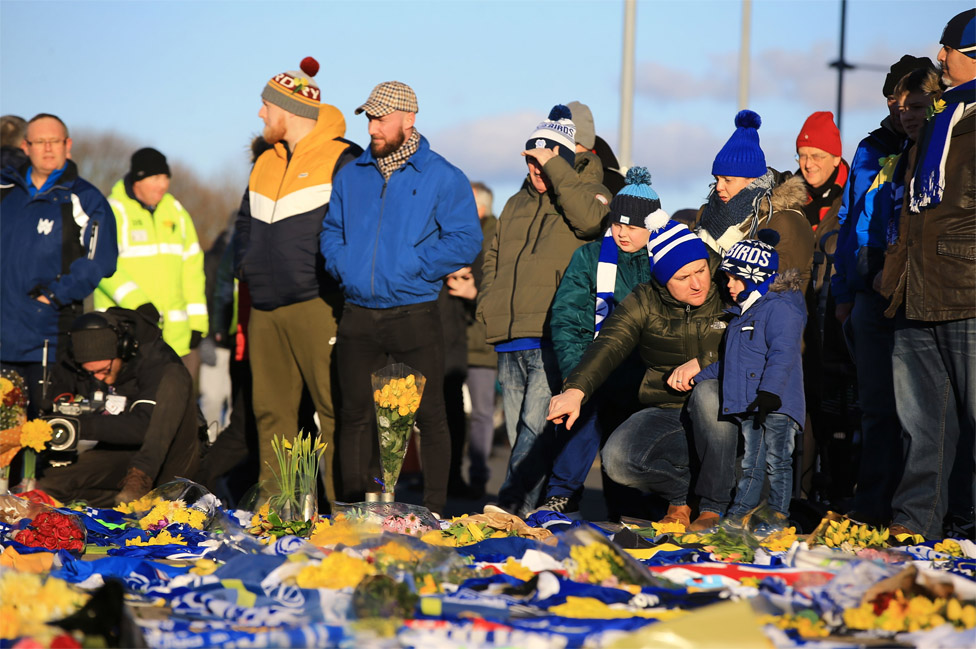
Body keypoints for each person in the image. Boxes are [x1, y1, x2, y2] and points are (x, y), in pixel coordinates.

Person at [321, 81, 482, 515]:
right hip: (357, 314)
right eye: (369, 118)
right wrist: (346, 266)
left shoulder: (443, 176)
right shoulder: (351, 174)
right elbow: (331, 232)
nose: (372, 126)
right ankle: (354, 511)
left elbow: (466, 239)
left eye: (381, 118)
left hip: (414, 312)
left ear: (408, 120)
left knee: (427, 417)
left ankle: (435, 512)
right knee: (354, 417)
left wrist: (415, 266)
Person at [234, 57, 362, 503]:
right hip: (266, 307)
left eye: (265, 106)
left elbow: (357, 230)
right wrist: (244, 265)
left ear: (286, 110)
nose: (260, 115)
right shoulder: (265, 159)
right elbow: (244, 222)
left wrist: (332, 279)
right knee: (270, 412)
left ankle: (344, 511)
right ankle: (280, 510)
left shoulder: (344, 157)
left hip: (318, 303)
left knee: (333, 411)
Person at [547, 219, 729, 530]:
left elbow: (759, 342)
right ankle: (680, 497)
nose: (697, 283)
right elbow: (609, 343)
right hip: (669, 408)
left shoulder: (728, 285)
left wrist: (705, 362)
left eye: (700, 271)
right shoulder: (645, 299)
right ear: (662, 280)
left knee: (708, 393)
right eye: (683, 277)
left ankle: (713, 507)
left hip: (727, 409)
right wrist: (575, 390)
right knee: (617, 459)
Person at [477, 105, 609, 517]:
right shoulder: (516, 202)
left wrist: (557, 169)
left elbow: (591, 223)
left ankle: (512, 507)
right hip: (509, 336)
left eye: (544, 160)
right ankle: (532, 515)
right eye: (532, 160)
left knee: (534, 430)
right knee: (521, 430)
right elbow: (493, 257)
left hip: (550, 335)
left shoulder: (586, 191)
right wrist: (487, 300)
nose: (536, 169)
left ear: (564, 158)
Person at [881, 8, 976, 540]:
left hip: (970, 291)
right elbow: (909, 211)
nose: (940, 57)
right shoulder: (938, 120)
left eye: (951, 49)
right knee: (922, 426)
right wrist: (892, 274)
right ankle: (915, 524)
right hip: (916, 291)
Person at [833, 56, 938, 526]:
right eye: (893, 102)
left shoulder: (937, 143)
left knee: (919, 410)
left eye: (909, 101)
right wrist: (843, 291)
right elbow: (849, 218)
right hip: (867, 288)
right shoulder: (870, 148)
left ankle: (921, 512)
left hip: (915, 288)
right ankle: (870, 506)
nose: (900, 110)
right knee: (875, 408)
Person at [538, 166, 659, 515]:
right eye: (617, 224)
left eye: (632, 227)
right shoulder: (589, 257)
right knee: (583, 413)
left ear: (651, 227)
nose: (622, 233)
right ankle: (562, 495)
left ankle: (630, 505)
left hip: (643, 369)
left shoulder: (664, 259)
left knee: (628, 437)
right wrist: (578, 373)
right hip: (594, 362)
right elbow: (568, 316)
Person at [0, 114, 118, 412]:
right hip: (3, 337)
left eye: (54, 141)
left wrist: (51, 297)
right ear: (26, 146)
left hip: (48, 342)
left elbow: (100, 261)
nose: (47, 148)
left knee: (43, 440)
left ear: (68, 145)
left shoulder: (85, 198)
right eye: (40, 141)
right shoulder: (5, 193)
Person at [690, 232, 806, 521]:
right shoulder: (741, 315)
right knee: (752, 465)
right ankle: (741, 514)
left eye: (735, 277)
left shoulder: (782, 308)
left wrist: (769, 392)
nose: (727, 284)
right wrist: (698, 378)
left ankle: (776, 517)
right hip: (752, 406)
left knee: (777, 462)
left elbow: (784, 354)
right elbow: (730, 363)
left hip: (776, 404)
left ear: (754, 276)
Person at [37, 308, 201, 506]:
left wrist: (80, 425)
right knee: (49, 484)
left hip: (169, 450)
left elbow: (143, 427)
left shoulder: (156, 359)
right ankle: (128, 507)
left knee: (176, 376)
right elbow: (53, 407)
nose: (98, 378)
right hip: (120, 454)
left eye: (104, 371)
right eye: (90, 373)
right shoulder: (74, 361)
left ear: (122, 350)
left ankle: (144, 484)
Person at [94, 147, 209, 368]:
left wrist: (198, 323)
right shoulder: (112, 211)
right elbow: (101, 266)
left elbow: (192, 269)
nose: (163, 185)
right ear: (138, 178)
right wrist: (138, 303)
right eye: (156, 178)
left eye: (166, 178)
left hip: (177, 339)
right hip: (125, 334)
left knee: (176, 401)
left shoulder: (176, 211)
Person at [693, 110, 814, 288]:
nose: (718, 187)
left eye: (728, 180)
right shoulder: (708, 212)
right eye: (716, 179)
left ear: (753, 181)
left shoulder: (786, 220)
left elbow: (775, 284)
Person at [441, 181, 498, 500]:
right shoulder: (463, 235)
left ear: (480, 208)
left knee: (480, 413)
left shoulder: (492, 239)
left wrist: (474, 293)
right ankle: (451, 474)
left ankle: (477, 478)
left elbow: (495, 287)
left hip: (482, 342)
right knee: (452, 412)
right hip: (458, 338)